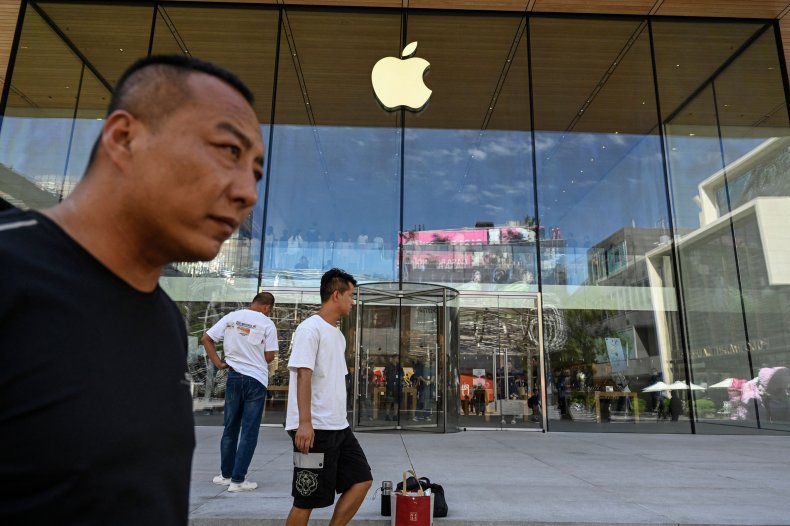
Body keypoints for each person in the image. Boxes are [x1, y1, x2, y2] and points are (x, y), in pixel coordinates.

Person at [0, 54, 263, 524]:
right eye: (228, 151)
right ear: (125, 138)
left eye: (256, 172)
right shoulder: (11, 271)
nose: (248, 191)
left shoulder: (163, 318)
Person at [285, 268, 372, 526]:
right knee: (306, 499)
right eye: (350, 295)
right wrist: (304, 423)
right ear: (336, 295)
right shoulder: (309, 329)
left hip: (338, 426)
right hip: (314, 429)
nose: (352, 302)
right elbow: (303, 376)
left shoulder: (337, 334)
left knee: (362, 480)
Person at [202, 292, 278, 492]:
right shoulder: (267, 324)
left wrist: (219, 363)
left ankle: (226, 475)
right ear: (267, 307)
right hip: (255, 380)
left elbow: (206, 339)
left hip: (233, 377)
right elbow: (269, 357)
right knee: (249, 431)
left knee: (230, 428)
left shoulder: (231, 317)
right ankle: (238, 480)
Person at [383, 354, 404, 421]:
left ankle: (395, 415)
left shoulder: (399, 367)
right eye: (397, 358)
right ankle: (387, 415)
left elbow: (402, 375)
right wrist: (387, 381)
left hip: (398, 386)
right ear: (394, 358)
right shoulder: (388, 366)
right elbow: (384, 375)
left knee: (396, 402)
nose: (398, 360)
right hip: (390, 386)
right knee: (389, 401)